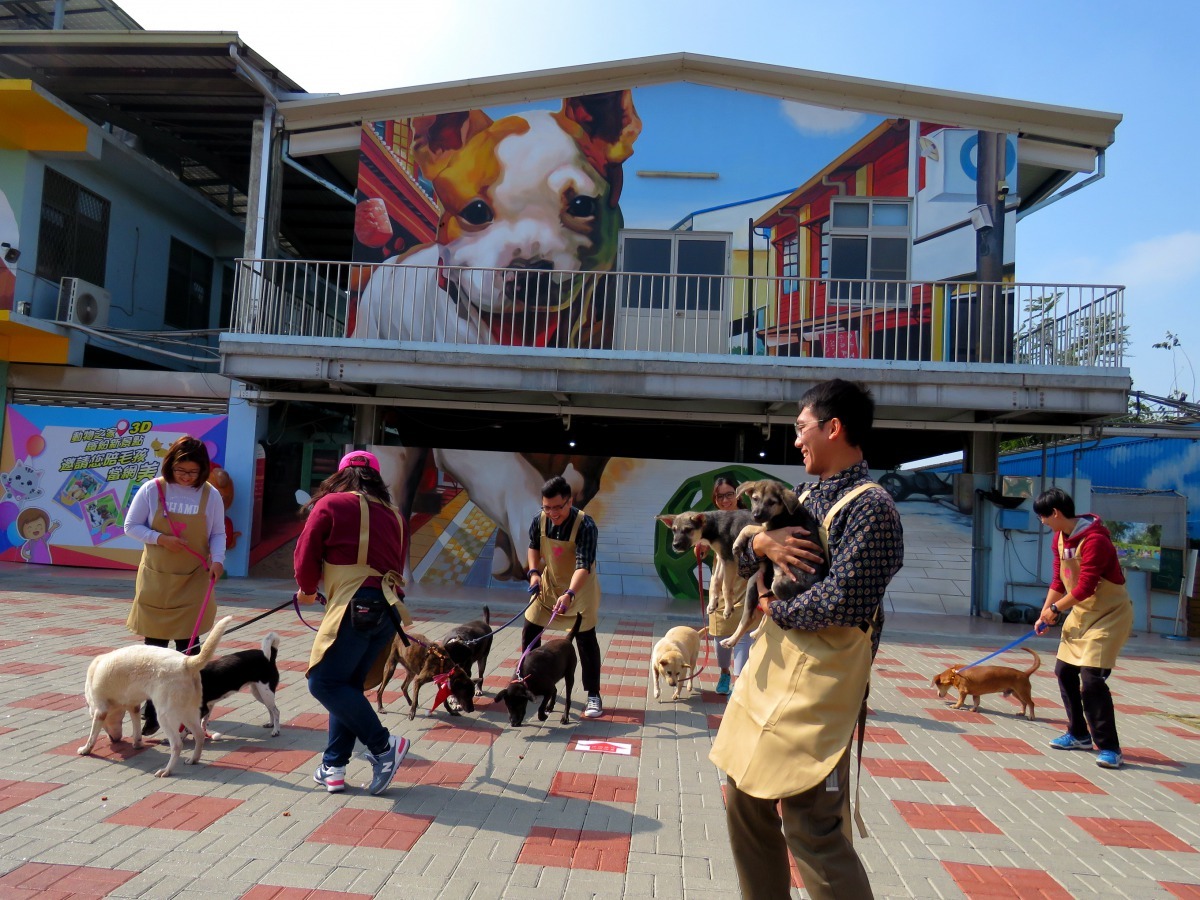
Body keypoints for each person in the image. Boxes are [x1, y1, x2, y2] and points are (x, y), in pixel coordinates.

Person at [709, 378, 904, 900]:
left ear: (833, 428)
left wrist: (772, 604)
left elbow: (845, 603)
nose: (795, 441)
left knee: (810, 823)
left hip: (822, 686)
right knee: (743, 797)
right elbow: (743, 550)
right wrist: (762, 542)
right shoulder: (805, 495)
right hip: (773, 672)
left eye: (801, 428)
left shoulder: (873, 508)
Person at [295, 449, 412, 795]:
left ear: (340, 476)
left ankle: (384, 746)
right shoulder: (396, 515)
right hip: (388, 609)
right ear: (376, 478)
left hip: (353, 606)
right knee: (347, 685)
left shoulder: (331, 504)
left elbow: (305, 553)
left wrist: (305, 588)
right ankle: (333, 766)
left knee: (324, 682)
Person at [124, 435, 227, 734]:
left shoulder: (211, 496)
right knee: (154, 649)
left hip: (194, 578)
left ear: (203, 470)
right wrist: (161, 539)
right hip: (157, 577)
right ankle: (152, 710)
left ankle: (186, 710)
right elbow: (131, 526)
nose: (185, 477)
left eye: (192, 472)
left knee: (188, 652)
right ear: (170, 465)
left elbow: (218, 533)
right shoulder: (152, 490)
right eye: (181, 470)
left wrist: (218, 560)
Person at [1033, 487, 1133, 769]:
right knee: (1064, 671)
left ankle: (1110, 747)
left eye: (1042, 516)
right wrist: (1045, 612)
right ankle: (1078, 734)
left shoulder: (1095, 539)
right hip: (1081, 612)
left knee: (1091, 680)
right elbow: (1058, 579)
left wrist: (1055, 610)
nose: (1042, 522)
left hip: (1109, 615)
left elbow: (1086, 586)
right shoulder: (1059, 539)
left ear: (1055, 513)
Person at [524, 475, 604, 718]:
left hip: (579, 589)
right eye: (547, 507)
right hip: (549, 585)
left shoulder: (586, 525)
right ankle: (530, 681)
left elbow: (583, 564)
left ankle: (593, 695)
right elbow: (533, 546)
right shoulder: (540, 519)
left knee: (585, 640)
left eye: (558, 507)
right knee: (530, 630)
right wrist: (534, 573)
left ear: (570, 501)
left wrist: (570, 593)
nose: (552, 513)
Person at [702, 476, 750, 696]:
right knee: (720, 636)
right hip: (720, 584)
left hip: (745, 580)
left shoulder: (749, 518)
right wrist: (701, 548)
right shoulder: (713, 520)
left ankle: (739, 685)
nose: (725, 500)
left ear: (738, 495)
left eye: (729, 494)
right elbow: (703, 542)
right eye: (720, 496)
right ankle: (724, 673)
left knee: (743, 635)